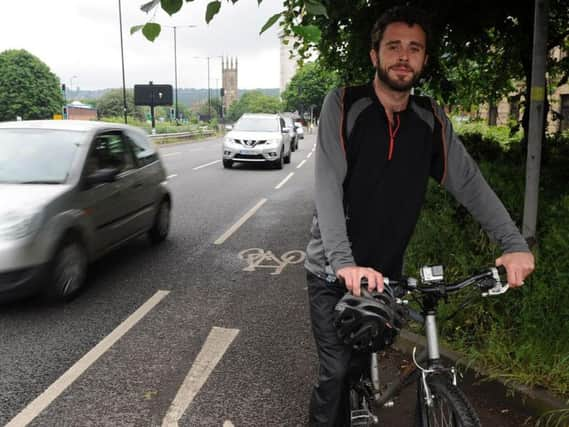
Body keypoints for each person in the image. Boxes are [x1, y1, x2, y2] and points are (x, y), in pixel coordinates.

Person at [304, 5, 535, 426]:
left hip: (388, 271)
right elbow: (327, 187)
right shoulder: (344, 104)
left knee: (368, 363)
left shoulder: (429, 119)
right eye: (393, 46)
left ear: (424, 60)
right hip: (332, 271)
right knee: (337, 373)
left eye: (414, 48)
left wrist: (513, 244)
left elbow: (470, 184)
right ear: (375, 55)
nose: (403, 56)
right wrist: (343, 263)